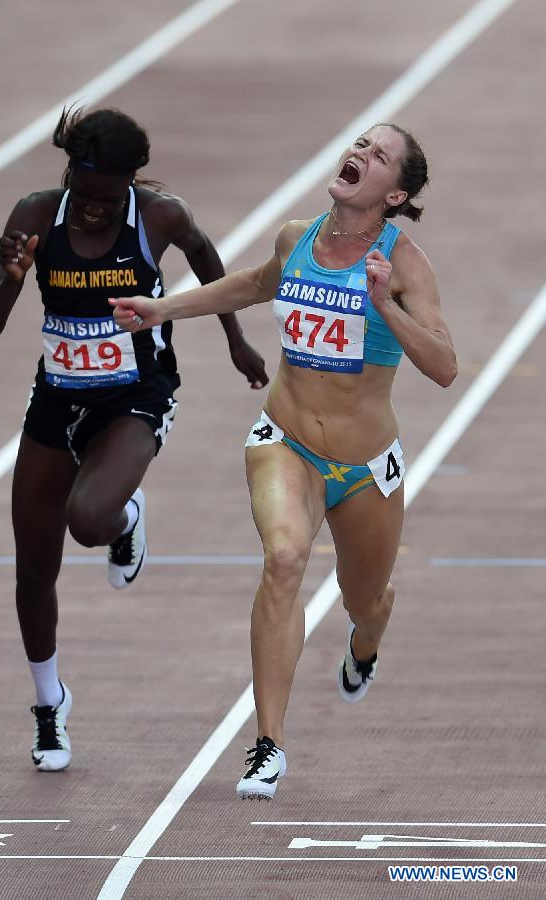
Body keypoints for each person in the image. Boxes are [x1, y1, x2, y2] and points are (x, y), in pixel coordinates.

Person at [111, 122, 458, 800]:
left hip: (365, 468)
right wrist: (161, 309)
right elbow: (253, 283)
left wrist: (384, 302)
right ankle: (267, 744)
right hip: (286, 440)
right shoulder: (295, 237)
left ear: (396, 194)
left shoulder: (406, 265)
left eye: (379, 156)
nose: (361, 154)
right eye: (360, 143)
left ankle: (365, 644)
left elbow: (445, 367)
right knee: (285, 559)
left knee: (367, 600)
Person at [0, 107, 268, 773]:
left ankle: (124, 518)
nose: (97, 213)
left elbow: (202, 254)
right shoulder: (36, 215)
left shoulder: (157, 215)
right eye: (88, 198)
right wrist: (13, 281)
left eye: (111, 200)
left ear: (130, 185)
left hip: (135, 395)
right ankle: (50, 704)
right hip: (58, 398)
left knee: (88, 518)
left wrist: (235, 338)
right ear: (71, 171)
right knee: (32, 565)